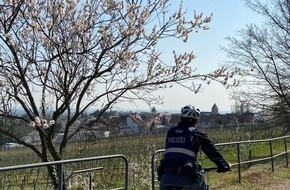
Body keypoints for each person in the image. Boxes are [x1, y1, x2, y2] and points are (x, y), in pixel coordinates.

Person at [158, 105, 231, 190]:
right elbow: (211, 150)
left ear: (182, 117)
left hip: (165, 177)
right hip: (187, 177)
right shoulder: (196, 133)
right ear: (196, 121)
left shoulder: (171, 132)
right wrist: (223, 165)